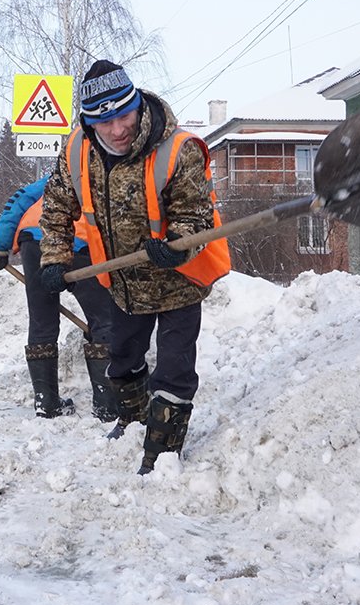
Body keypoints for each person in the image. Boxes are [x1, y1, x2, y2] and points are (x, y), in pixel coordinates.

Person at [38, 59, 231, 473]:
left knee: (176, 367)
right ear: (90, 123)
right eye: (104, 123)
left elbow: (195, 213)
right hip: (124, 283)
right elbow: (55, 208)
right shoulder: (76, 151)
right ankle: (132, 420)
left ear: (138, 104)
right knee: (123, 359)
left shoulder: (177, 150)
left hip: (180, 279)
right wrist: (55, 258)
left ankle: (160, 454)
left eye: (124, 115)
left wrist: (176, 246)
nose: (118, 129)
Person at [0, 175, 116, 421]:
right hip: (81, 239)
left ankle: (47, 402)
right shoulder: (105, 172)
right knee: (104, 319)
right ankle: (107, 405)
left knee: (42, 319)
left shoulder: (56, 176)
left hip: (33, 239)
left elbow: (19, 200)